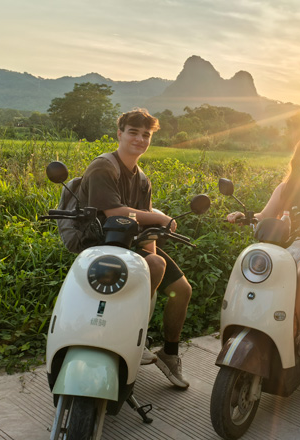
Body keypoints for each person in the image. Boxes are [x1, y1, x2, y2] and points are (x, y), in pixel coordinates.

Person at [76, 108, 193, 389]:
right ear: (120, 133)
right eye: (133, 132)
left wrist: (152, 247)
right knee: (154, 266)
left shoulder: (141, 179)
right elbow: (114, 211)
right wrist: (160, 218)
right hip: (103, 245)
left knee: (182, 290)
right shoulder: (104, 167)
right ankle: (133, 337)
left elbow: (147, 230)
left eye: (146, 134)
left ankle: (169, 353)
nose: (140, 139)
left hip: (132, 245)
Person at [226, 136, 300, 357]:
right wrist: (244, 216)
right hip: (288, 248)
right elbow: (265, 215)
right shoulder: (286, 188)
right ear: (298, 161)